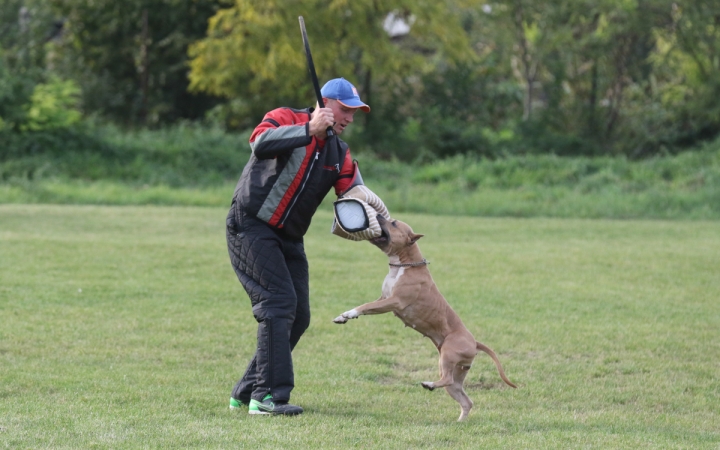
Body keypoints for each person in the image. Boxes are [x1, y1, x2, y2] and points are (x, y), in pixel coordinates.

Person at [226, 78, 371, 415]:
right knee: (278, 302)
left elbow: (357, 199)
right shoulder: (284, 118)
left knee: (299, 315)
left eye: (355, 112)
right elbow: (259, 144)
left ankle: (246, 392)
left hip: (290, 236)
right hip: (251, 224)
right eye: (345, 109)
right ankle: (267, 398)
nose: (350, 117)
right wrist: (309, 129)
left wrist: (390, 233)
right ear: (325, 102)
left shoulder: (340, 153)